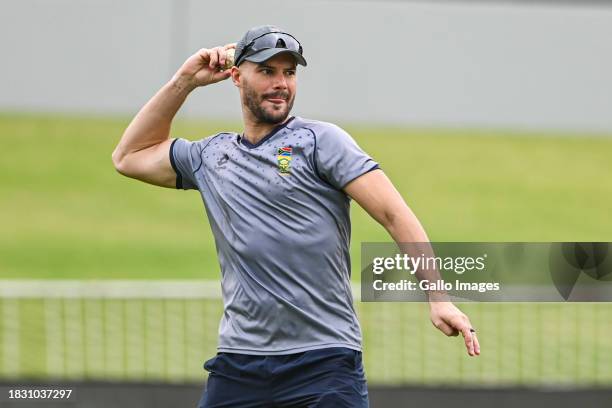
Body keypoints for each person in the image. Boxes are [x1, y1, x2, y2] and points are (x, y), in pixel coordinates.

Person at [112, 25, 480, 408]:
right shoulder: (210, 156)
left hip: (324, 365)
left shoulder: (321, 142)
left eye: (289, 72)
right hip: (240, 366)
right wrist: (184, 81)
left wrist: (438, 298)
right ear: (236, 77)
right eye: (267, 71)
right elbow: (128, 157)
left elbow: (394, 214)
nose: (281, 83)